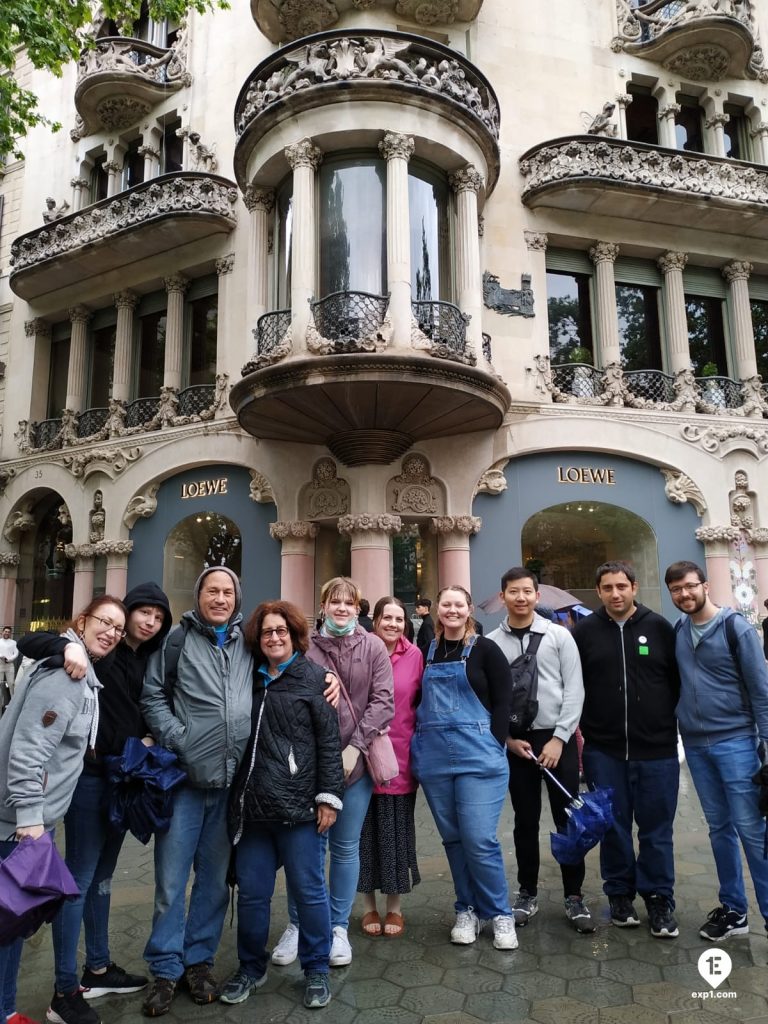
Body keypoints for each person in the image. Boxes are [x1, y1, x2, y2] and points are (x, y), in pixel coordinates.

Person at [18, 585, 172, 1020]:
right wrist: (70, 648)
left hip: (123, 779)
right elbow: (34, 643)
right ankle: (64, 990)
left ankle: (98, 966)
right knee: (79, 880)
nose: (149, 622)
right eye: (142, 613)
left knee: (103, 876)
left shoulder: (147, 659)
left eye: (158, 618)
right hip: (89, 778)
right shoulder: (101, 651)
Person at [0, 596, 127, 1024]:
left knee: (11, 921)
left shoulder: (82, 671)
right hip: (17, 821)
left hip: (28, 816)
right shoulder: (67, 678)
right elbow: (28, 754)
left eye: (118, 628)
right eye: (104, 622)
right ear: (83, 620)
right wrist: (31, 822)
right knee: (8, 921)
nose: (111, 632)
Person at [139, 568, 253, 1016]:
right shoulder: (177, 640)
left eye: (228, 592)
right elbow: (152, 697)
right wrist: (178, 739)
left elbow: (287, 669)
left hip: (229, 785)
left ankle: (198, 962)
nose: (220, 599)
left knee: (213, 883)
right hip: (184, 783)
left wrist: (331, 682)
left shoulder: (249, 640)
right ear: (198, 594)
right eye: (212, 591)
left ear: (236, 597)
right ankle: (165, 969)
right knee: (170, 882)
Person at [222, 601, 343, 1010]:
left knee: (309, 892)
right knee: (254, 894)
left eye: (281, 631)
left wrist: (329, 797)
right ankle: (250, 968)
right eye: (267, 632)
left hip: (299, 809)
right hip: (253, 809)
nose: (274, 637)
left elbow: (329, 743)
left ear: (294, 636)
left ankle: (316, 970)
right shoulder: (247, 678)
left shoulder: (314, 678)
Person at [271, 577, 393, 969]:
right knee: (304, 849)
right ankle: (298, 925)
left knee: (343, 847)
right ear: (322, 605)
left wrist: (355, 747)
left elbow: (383, 701)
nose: (341, 608)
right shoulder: (305, 647)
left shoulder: (373, 646)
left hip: (355, 763)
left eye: (349, 603)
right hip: (308, 764)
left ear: (358, 609)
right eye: (334, 601)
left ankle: (338, 927)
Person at [572, 561, 680, 939]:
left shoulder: (659, 628)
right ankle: (619, 895)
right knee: (613, 826)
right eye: (607, 587)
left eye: (621, 586)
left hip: (658, 750)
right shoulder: (584, 632)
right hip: (604, 749)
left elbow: (676, 682)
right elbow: (575, 685)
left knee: (656, 829)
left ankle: (659, 899)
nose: (615, 593)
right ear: (598, 592)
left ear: (634, 587)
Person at [666, 560, 768, 941]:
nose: (684, 594)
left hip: (736, 741)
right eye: (676, 590)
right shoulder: (679, 630)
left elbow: (761, 691)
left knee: (752, 830)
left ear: (705, 585)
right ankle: (734, 910)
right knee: (719, 828)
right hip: (695, 744)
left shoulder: (735, 628)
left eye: (690, 586)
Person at [487, 567, 593, 933]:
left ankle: (574, 895)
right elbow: (487, 700)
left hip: (556, 741)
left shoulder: (559, 636)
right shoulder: (490, 642)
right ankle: (527, 892)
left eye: (527, 591)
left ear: (537, 595)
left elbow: (574, 689)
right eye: (513, 591)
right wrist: (507, 740)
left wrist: (560, 739)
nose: (520, 597)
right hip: (516, 744)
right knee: (524, 821)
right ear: (503, 596)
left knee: (568, 822)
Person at [411, 585, 517, 949]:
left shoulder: (486, 650)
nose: (452, 610)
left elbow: (504, 701)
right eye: (446, 604)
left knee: (479, 839)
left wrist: (495, 742)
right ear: (437, 610)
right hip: (435, 758)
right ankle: (466, 909)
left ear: (469, 609)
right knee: (454, 841)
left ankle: (500, 913)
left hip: (480, 758)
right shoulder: (425, 652)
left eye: (459, 604)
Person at [358, 597, 423, 937]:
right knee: (364, 835)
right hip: (361, 756)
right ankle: (368, 907)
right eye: (387, 618)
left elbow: (419, 705)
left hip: (399, 758)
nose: (393, 624)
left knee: (397, 835)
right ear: (376, 620)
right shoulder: (360, 651)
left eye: (399, 619)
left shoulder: (415, 656)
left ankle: (395, 908)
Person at [0, 626, 18, 711]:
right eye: (5, 631)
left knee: (11, 684)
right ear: (2, 632)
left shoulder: (13, 642)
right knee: (0, 684)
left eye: (8, 632)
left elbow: (16, 653)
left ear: (10, 633)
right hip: (0, 665)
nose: (6, 633)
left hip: (10, 665)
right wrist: (1, 657)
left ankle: (12, 704)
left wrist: (9, 659)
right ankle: (1, 702)